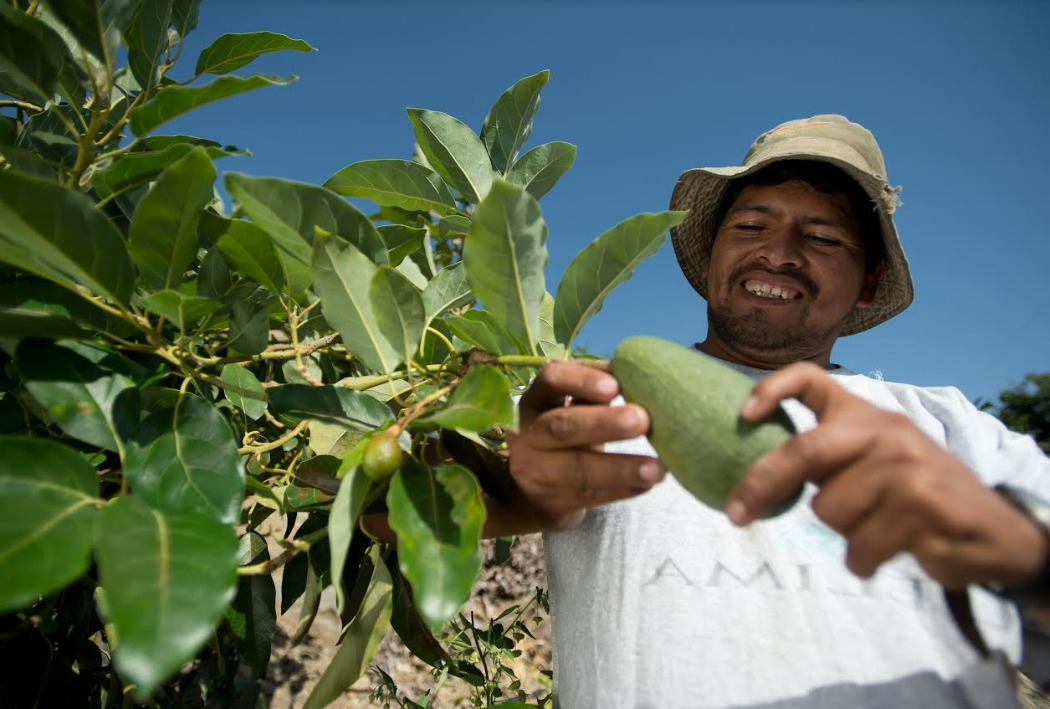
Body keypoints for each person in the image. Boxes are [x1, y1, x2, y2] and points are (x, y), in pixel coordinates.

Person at [498, 115, 1050, 708]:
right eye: (752, 224)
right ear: (711, 256)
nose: (779, 253)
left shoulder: (949, 425)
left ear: (870, 281)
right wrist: (507, 486)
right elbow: (396, 513)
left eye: (824, 237)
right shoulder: (585, 409)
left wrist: (1019, 552)